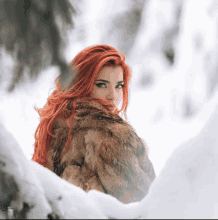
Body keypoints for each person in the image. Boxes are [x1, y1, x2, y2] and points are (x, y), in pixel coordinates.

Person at [32, 44, 156, 204]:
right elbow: (143, 204)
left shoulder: (57, 124)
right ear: (82, 83)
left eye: (119, 86)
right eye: (102, 85)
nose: (113, 96)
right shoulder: (109, 134)